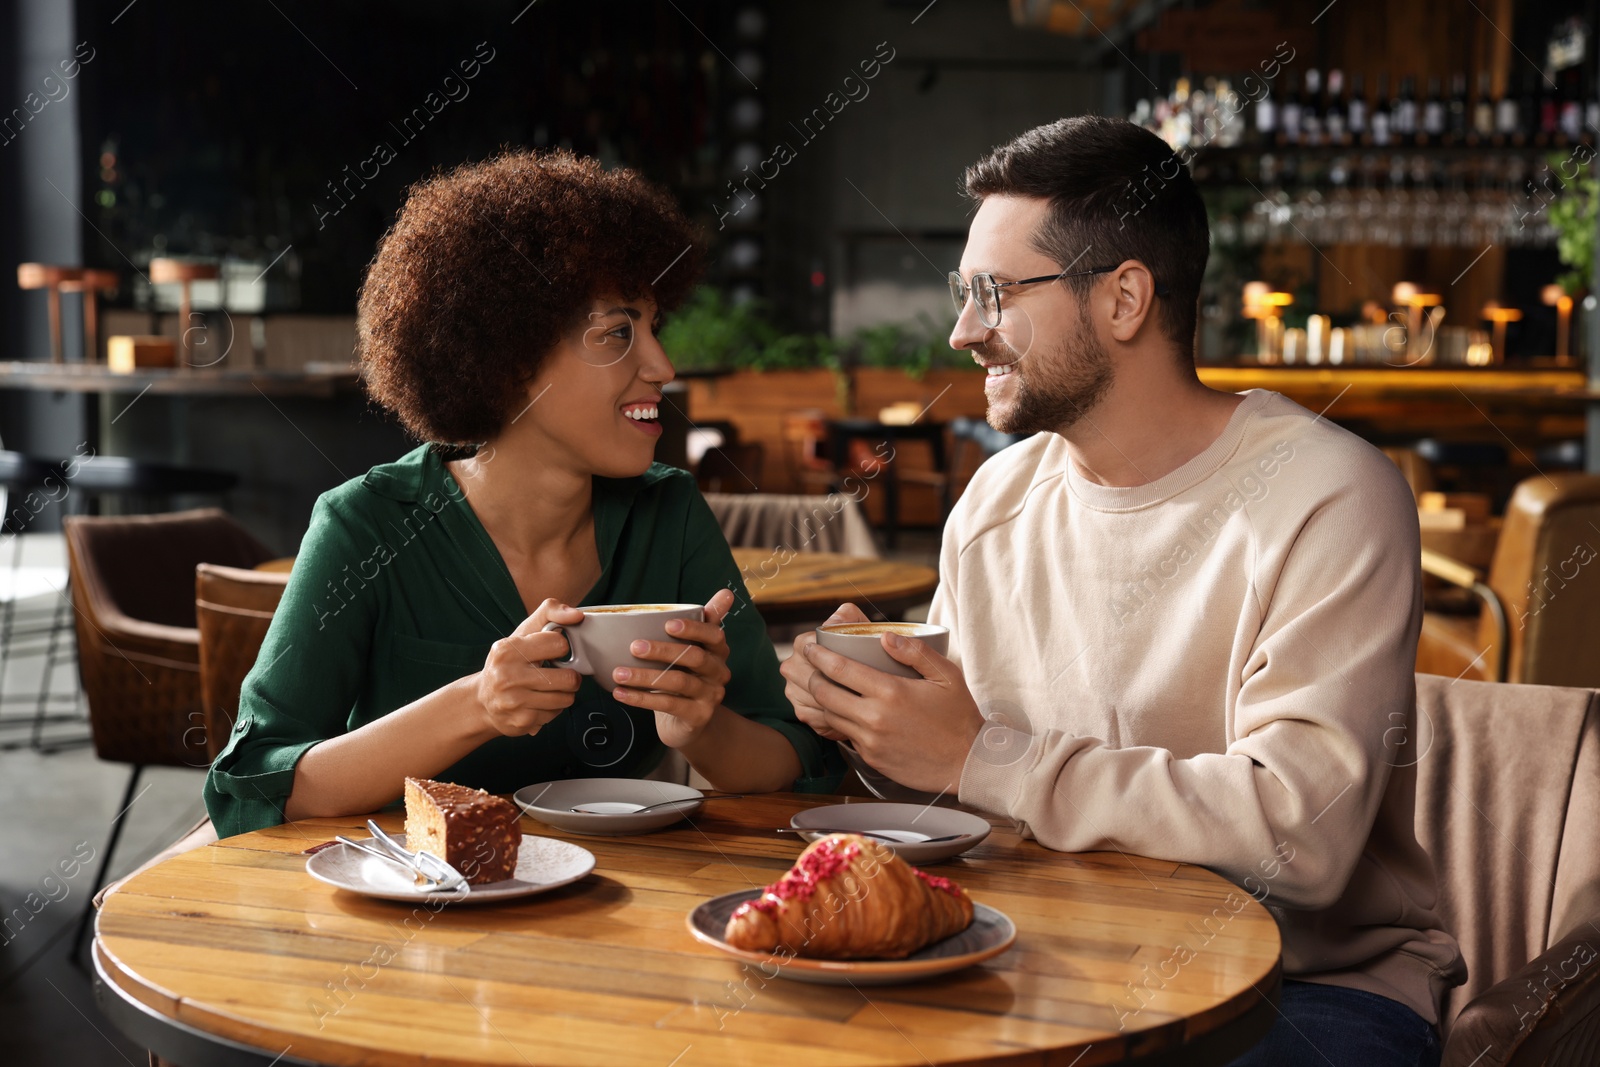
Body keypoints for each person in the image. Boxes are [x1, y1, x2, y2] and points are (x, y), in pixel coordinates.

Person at [779, 116, 1463, 1066]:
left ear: (1126, 298)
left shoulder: (1330, 494)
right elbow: (965, 785)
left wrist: (984, 755)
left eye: (992, 293)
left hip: (1308, 986)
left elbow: (1299, 836)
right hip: (1056, 954)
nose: (962, 330)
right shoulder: (997, 499)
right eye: (962, 293)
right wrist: (870, 714)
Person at [204, 149, 839, 838]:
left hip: (620, 923)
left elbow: (797, 758)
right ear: (508, 359)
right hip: (413, 919)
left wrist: (700, 726)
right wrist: (476, 703)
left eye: (655, 328)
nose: (662, 365)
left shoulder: (670, 514)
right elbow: (256, 784)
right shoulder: (368, 525)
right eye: (617, 334)